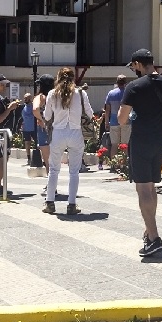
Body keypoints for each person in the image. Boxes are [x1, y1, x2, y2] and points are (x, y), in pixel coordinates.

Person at [119, 48, 162, 257]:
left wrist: (137, 113)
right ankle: (149, 229)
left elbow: (121, 118)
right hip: (161, 139)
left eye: (133, 66)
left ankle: (154, 237)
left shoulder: (134, 87)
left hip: (142, 140)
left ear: (137, 63)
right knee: (151, 187)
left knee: (143, 188)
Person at [41, 67, 96, 214]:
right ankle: (71, 204)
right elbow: (90, 114)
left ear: (58, 78)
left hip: (58, 133)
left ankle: (50, 203)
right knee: (74, 172)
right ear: (73, 79)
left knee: (53, 170)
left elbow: (46, 116)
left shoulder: (52, 94)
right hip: (75, 132)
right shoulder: (80, 93)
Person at [33, 74, 56, 173]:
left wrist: (41, 120)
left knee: (48, 162)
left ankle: (50, 185)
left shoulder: (40, 97)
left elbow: (35, 109)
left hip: (44, 129)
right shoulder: (56, 96)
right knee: (55, 161)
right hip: (57, 127)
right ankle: (53, 184)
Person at [103, 75, 127, 157]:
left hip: (113, 121)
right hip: (126, 121)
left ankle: (113, 163)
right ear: (125, 83)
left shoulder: (111, 93)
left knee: (114, 145)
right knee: (125, 145)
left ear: (117, 82)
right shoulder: (127, 93)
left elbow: (107, 110)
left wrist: (106, 122)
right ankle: (125, 164)